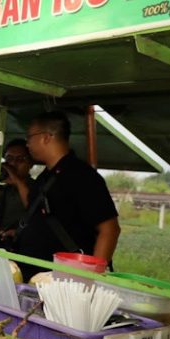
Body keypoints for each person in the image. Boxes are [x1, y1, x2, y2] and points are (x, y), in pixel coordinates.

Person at [14, 111, 121, 279]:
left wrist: (91, 278)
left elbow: (110, 229)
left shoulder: (82, 176)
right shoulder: (46, 176)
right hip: (37, 276)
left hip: (66, 281)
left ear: (46, 137)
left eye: (30, 137)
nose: (27, 144)